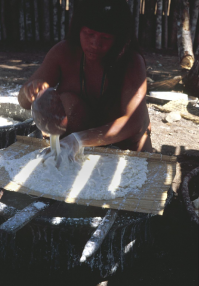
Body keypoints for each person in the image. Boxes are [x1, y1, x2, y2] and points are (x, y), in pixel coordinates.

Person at [18, 0, 152, 165]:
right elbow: (23, 102)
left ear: (118, 39)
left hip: (126, 145)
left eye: (105, 37)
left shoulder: (131, 62)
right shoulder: (63, 53)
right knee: (67, 101)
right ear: (78, 30)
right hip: (77, 151)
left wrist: (78, 140)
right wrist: (29, 92)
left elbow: (133, 122)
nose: (95, 44)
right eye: (89, 34)